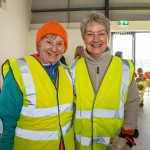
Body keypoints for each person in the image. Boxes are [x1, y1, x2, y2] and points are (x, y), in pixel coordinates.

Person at [69, 11, 140, 150]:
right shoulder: (72, 69)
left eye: (101, 33)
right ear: (83, 38)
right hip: (81, 146)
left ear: (108, 36)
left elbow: (132, 103)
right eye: (90, 34)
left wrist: (127, 135)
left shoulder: (125, 68)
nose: (96, 39)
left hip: (115, 145)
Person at [0, 20, 75, 150]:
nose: (54, 48)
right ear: (39, 44)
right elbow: (6, 120)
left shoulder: (67, 72)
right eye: (48, 42)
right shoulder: (19, 71)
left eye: (59, 43)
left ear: (64, 48)